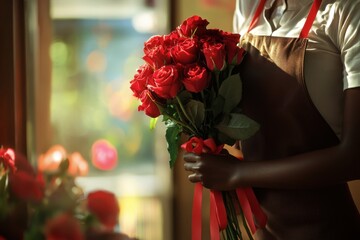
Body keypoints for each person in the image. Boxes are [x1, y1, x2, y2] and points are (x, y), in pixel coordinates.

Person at [183, 0, 360, 239]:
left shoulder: (347, 11)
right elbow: (251, 131)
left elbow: (353, 156)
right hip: (263, 229)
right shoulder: (248, 7)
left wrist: (237, 175)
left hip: (328, 228)